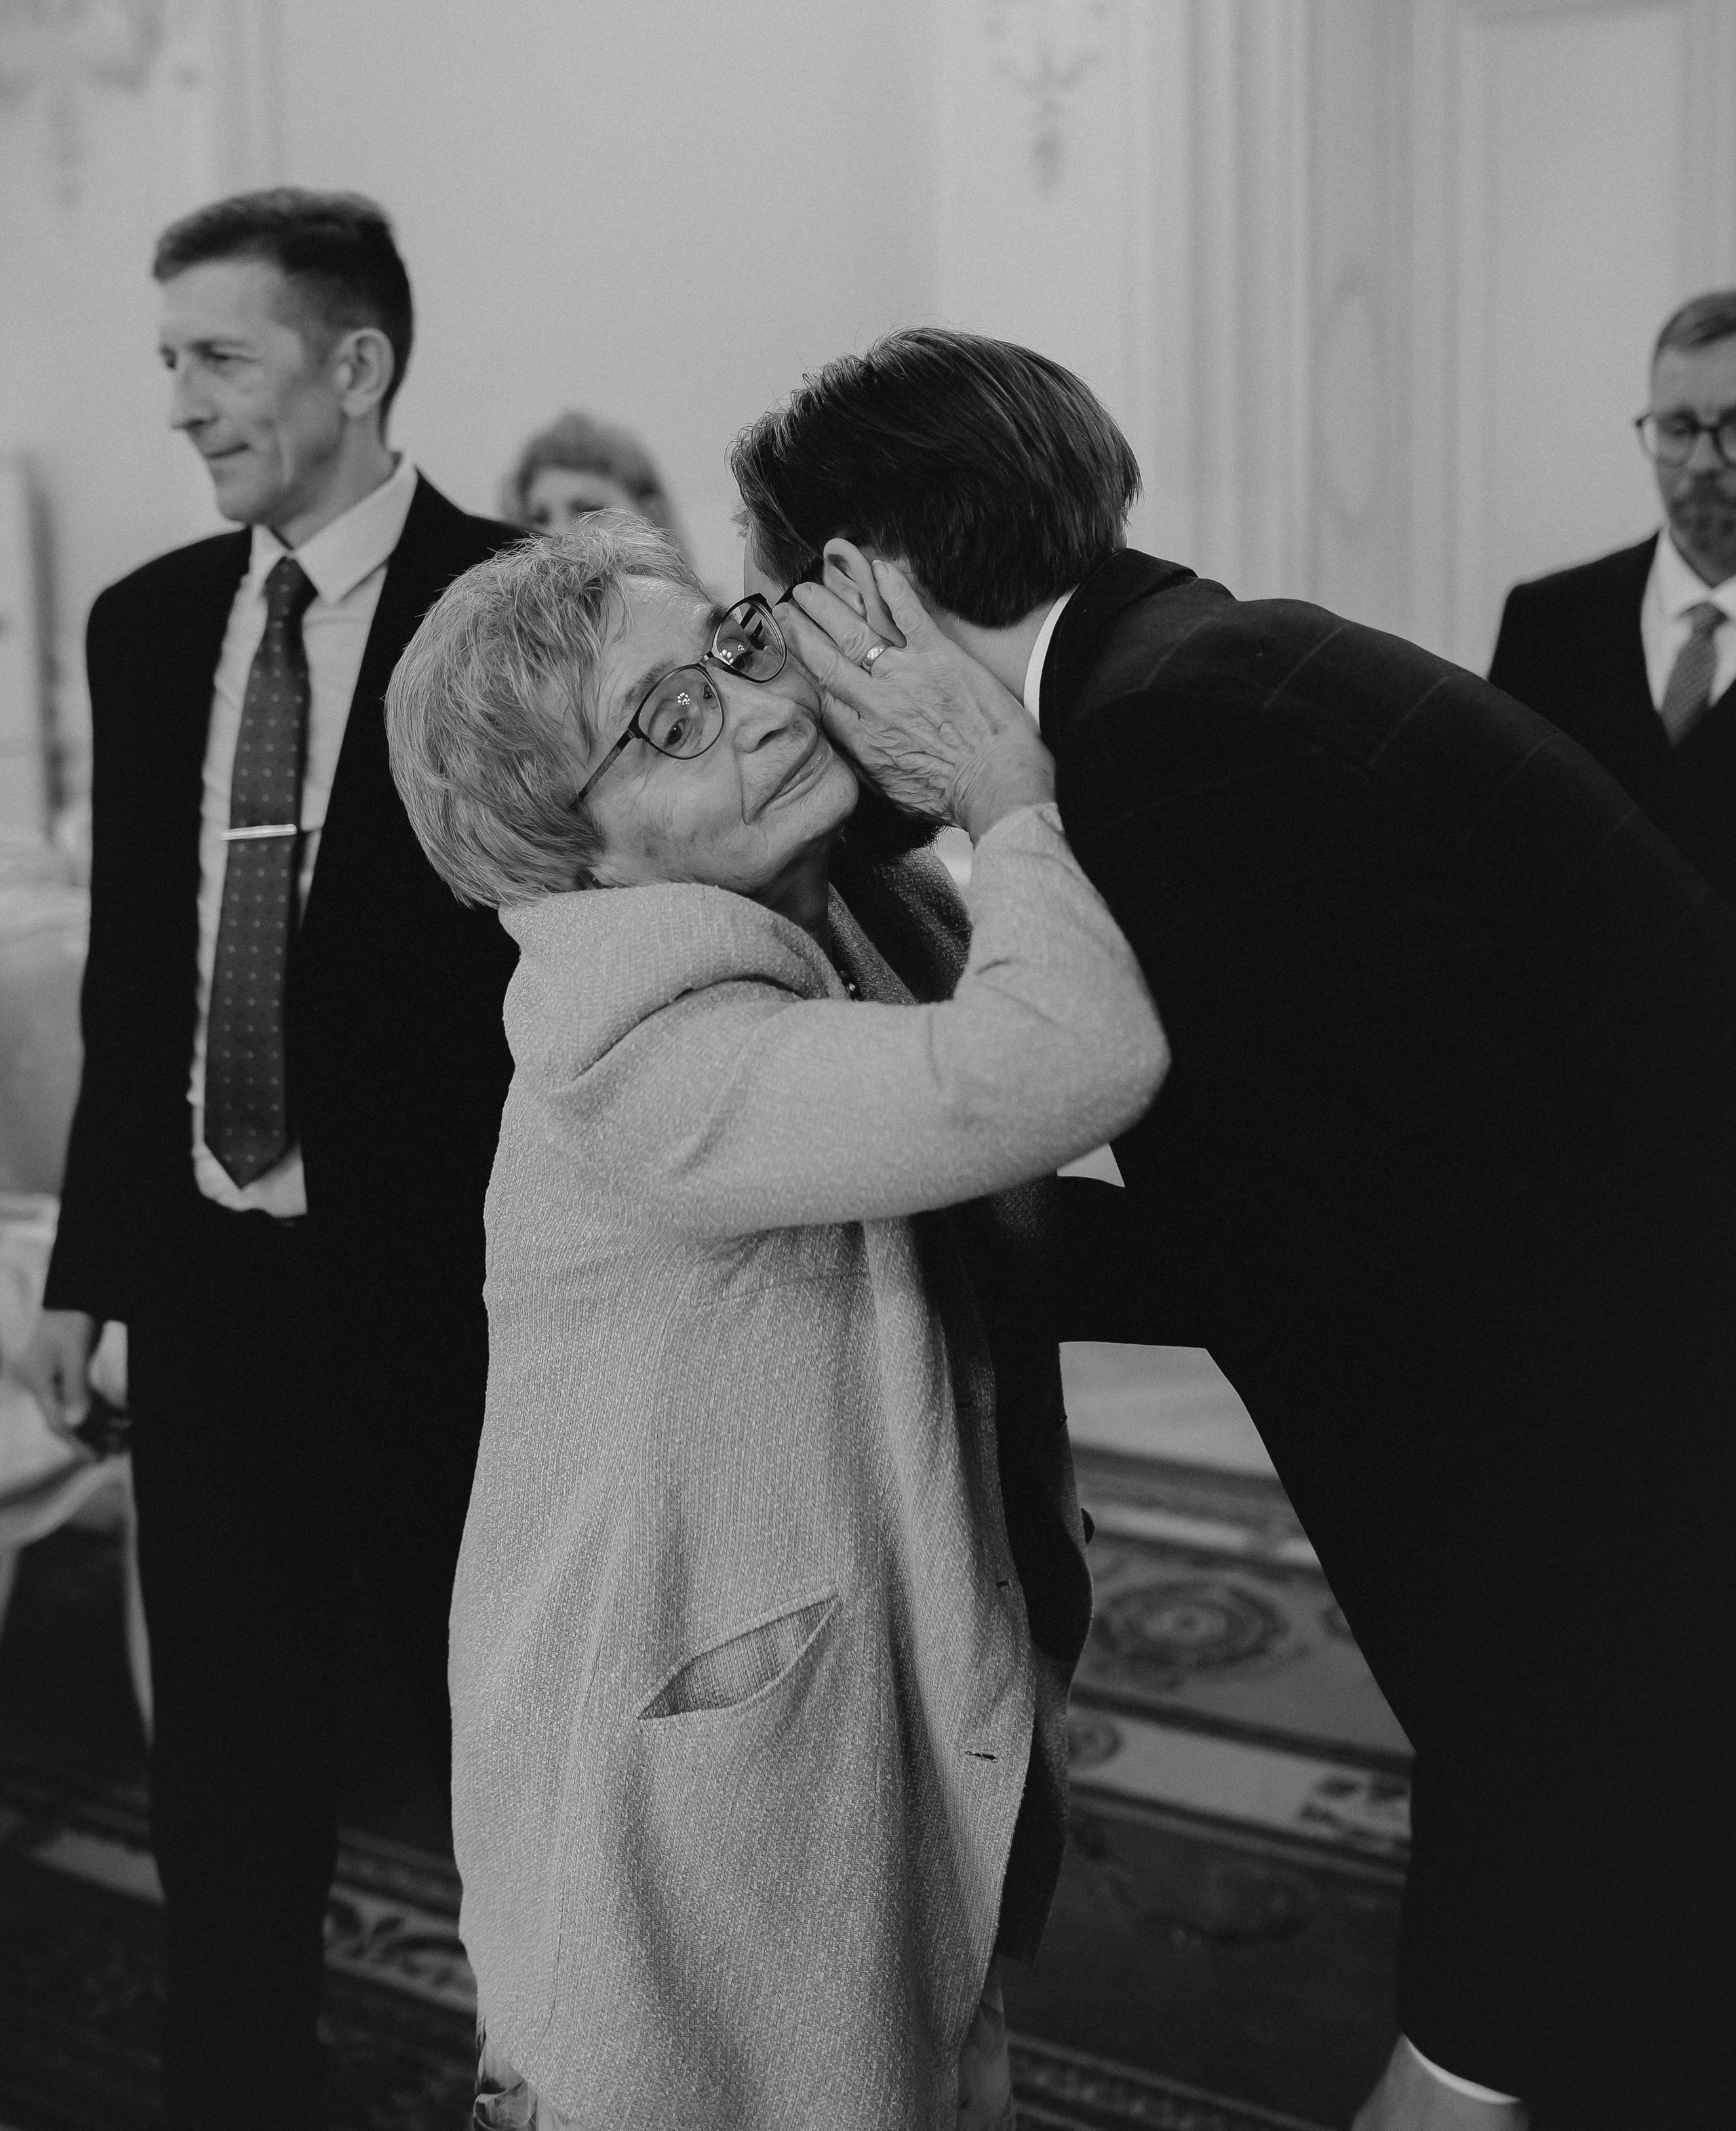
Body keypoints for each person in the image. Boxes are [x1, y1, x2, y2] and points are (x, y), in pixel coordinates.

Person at [729, 326, 1735, 2131]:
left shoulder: (1167, 746)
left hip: (1618, 1508)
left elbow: (1385, 1290)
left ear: (865, 583)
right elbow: (1336, 1186)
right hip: (1619, 1452)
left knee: (1533, 2026)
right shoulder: (1196, 664)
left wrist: (865, 1231)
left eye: (780, 601)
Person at [382, 513, 1166, 2131]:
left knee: (911, 2055)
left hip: (833, 1672)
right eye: (661, 719)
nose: (748, 705)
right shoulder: (631, 1041)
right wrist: (1001, 785)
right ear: (567, 849)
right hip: (680, 1733)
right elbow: (1065, 1057)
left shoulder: (858, 906)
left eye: (731, 648)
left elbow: (998, 1212)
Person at [18, 189, 520, 2128]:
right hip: (216, 1295)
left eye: (217, 357)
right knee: (224, 1780)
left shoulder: (515, 612)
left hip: (448, 1305)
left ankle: (558, 2076)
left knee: (505, 1758)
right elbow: (146, 985)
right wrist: (91, 1266)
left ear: (358, 365)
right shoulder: (148, 627)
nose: (179, 405)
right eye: (167, 362)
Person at [1489, 289, 1736, 903]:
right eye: (1677, 429)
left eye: (1735, 428)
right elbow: (1493, 853)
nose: (1702, 462)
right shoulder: (1546, 623)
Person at [501, 408, 689, 553]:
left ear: (653, 518)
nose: (557, 535)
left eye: (588, 512)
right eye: (538, 519)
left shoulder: (705, 605)